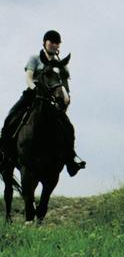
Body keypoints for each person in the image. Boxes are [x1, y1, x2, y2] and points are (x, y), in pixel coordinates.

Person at [1, 30, 86, 176]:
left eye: (56, 42)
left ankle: (71, 159)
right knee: (11, 117)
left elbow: (64, 82)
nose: (54, 44)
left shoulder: (61, 64)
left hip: (52, 98)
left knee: (67, 127)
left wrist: (66, 96)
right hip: (33, 94)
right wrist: (34, 89)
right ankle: (3, 153)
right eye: (51, 41)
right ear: (44, 42)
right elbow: (28, 77)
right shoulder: (35, 58)